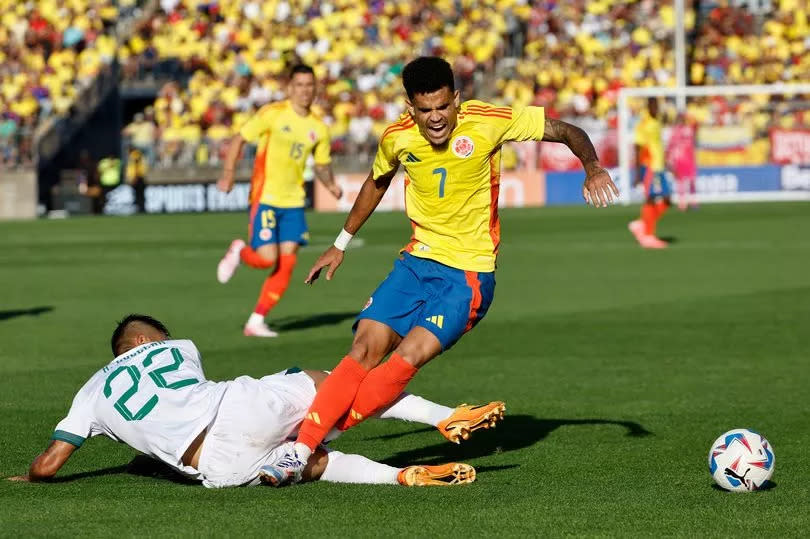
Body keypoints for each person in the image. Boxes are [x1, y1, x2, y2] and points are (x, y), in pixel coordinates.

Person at [261, 56, 618, 484]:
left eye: (443, 107)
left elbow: (565, 131)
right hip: (415, 263)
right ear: (409, 107)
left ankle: (316, 435)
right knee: (362, 350)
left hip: (467, 276)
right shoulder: (397, 137)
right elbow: (377, 182)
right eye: (425, 110)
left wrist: (592, 167)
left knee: (404, 360)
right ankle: (299, 452)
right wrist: (340, 244)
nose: (435, 119)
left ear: (457, 100)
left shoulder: (489, 119)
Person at [8, 314, 496, 488]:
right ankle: (444, 416)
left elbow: (49, 465)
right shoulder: (178, 348)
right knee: (330, 382)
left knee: (315, 463)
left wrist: (27, 475)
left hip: (216, 467)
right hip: (235, 408)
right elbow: (182, 399)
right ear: (142, 343)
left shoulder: (91, 392)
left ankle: (397, 476)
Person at [215, 64, 343, 338]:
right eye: (299, 85)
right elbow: (239, 139)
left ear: (315, 88)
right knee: (265, 259)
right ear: (289, 87)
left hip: (294, 203)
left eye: (310, 85)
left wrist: (331, 185)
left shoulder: (318, 128)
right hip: (266, 197)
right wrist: (228, 173)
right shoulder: (273, 114)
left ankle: (256, 320)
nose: (305, 91)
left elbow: (321, 164)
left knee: (287, 264)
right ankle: (239, 251)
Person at [628, 98, 671, 249]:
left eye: (657, 106)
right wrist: (638, 173)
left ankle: (641, 224)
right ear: (648, 107)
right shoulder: (643, 124)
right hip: (650, 167)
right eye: (654, 106)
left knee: (667, 200)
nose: (656, 109)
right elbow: (638, 148)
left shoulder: (657, 120)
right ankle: (648, 236)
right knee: (651, 199)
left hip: (659, 166)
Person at [666, 112, 698, 212]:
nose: (681, 120)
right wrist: (669, 159)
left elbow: (696, 124)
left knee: (692, 181)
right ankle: (682, 203)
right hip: (679, 159)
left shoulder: (689, 129)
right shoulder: (675, 131)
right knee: (681, 181)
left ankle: (693, 201)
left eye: (682, 118)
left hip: (689, 158)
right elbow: (670, 146)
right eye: (679, 118)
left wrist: (689, 116)